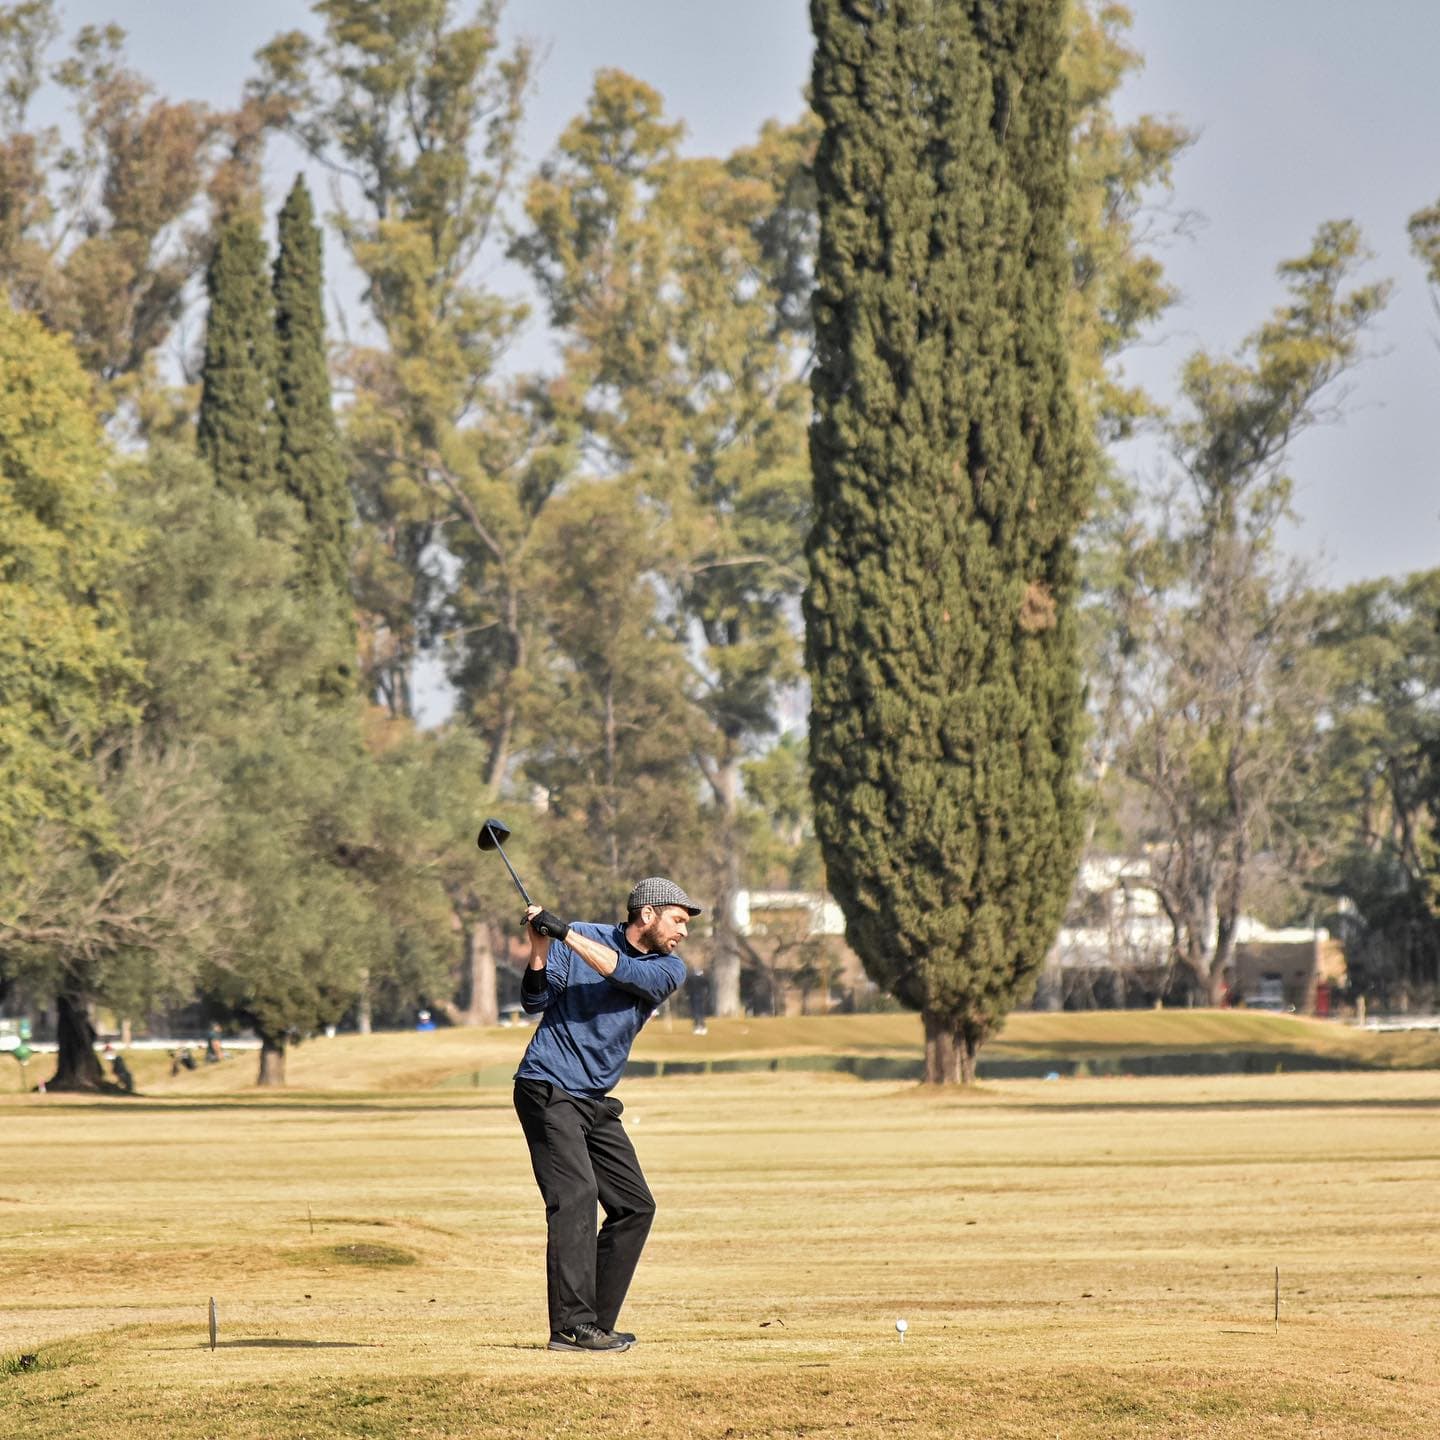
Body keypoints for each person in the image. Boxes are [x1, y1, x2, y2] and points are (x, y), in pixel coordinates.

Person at [513, 876, 698, 1354]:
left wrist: (564, 934)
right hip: (547, 1085)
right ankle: (572, 1327)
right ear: (648, 913)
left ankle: (594, 1321)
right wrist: (538, 948)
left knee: (635, 1205)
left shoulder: (667, 968)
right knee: (576, 1196)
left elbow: (623, 974)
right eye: (678, 919)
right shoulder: (580, 933)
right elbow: (534, 1000)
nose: (683, 931)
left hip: (593, 1099)